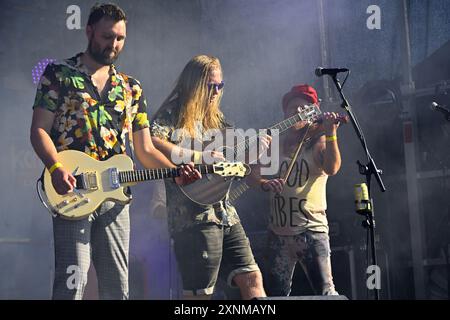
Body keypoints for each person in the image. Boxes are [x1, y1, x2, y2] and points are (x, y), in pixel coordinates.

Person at [30, 3, 199, 300]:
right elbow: (39, 130)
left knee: (116, 288)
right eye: (108, 36)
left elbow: (144, 149)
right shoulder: (59, 74)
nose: (114, 44)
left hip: (116, 198)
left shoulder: (130, 87)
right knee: (72, 283)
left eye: (120, 38)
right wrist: (56, 169)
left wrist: (175, 173)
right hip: (73, 190)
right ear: (89, 31)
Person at [150, 55, 267, 300]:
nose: (215, 92)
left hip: (225, 213)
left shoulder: (219, 120)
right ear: (193, 84)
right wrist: (193, 157)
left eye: (219, 86)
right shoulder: (171, 115)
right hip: (192, 218)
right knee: (201, 294)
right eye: (209, 86)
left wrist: (250, 158)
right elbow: (150, 143)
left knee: (252, 278)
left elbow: (233, 169)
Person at [255, 84, 342, 296]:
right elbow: (251, 174)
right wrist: (263, 183)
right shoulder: (274, 144)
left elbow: (332, 168)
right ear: (285, 113)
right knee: (275, 295)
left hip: (311, 231)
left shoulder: (317, 140)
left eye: (304, 108)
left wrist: (331, 134)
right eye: (292, 108)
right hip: (278, 233)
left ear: (313, 112)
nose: (297, 113)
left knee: (325, 292)